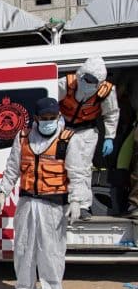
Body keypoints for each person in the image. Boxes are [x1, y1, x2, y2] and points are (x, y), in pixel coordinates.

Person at [0, 97, 88, 289]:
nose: (48, 121)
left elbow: (77, 173)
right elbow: (12, 168)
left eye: (52, 118)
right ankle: (24, 288)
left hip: (53, 204)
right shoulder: (23, 137)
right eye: (44, 118)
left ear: (58, 117)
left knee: (51, 250)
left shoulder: (68, 139)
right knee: (24, 246)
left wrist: (77, 200)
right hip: (27, 200)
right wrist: (2, 192)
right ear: (36, 118)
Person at [58, 56, 119, 220]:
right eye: (86, 78)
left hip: (86, 131)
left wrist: (109, 137)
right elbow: (50, 101)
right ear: (80, 74)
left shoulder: (106, 91)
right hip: (63, 129)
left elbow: (111, 114)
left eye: (93, 79)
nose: (88, 82)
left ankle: (83, 206)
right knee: (60, 167)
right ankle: (63, 202)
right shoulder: (67, 83)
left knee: (82, 169)